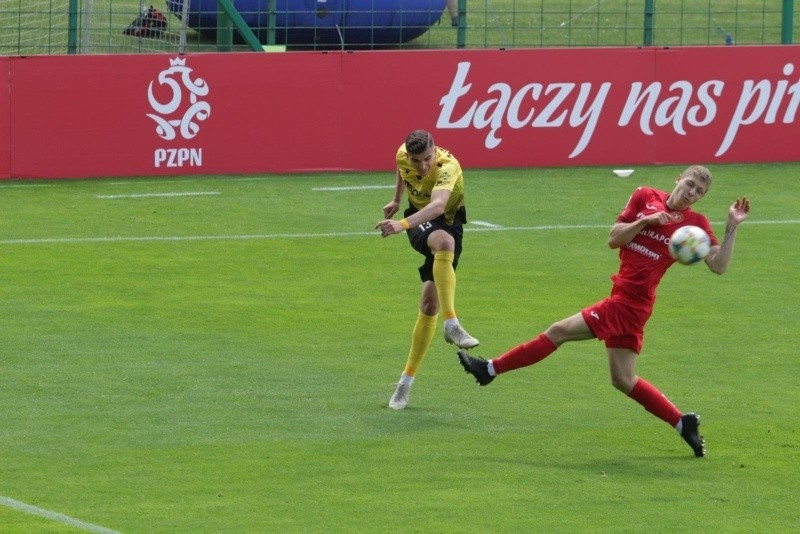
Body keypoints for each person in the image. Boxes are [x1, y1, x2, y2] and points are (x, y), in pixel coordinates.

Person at [457, 165, 750, 457]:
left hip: (630, 304)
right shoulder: (644, 196)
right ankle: (681, 423)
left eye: (699, 191)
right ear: (678, 179)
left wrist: (732, 226)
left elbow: (718, 266)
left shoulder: (693, 225)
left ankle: (490, 369)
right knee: (623, 379)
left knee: (559, 331)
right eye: (689, 184)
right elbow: (614, 239)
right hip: (626, 299)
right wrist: (647, 221)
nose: (691, 193)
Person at [376, 129, 479, 410]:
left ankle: (404, 384)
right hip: (420, 223)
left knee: (429, 303)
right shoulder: (403, 155)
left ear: (435, 150)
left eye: (426, 159)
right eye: (416, 160)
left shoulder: (448, 166)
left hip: (445, 221)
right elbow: (401, 168)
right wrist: (397, 201)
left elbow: (437, 206)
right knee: (443, 243)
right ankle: (452, 324)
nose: (421, 166)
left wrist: (400, 225)